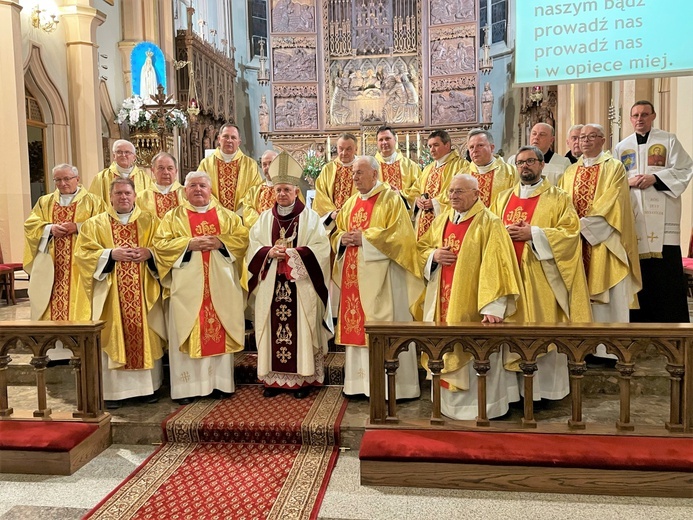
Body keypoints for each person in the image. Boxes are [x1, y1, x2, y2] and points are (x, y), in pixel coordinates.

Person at [417, 174, 523, 419]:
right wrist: (434, 256)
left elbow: (498, 265)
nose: (453, 195)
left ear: (476, 194)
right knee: (444, 350)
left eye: (460, 191)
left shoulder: (490, 222)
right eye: (451, 191)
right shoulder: (442, 219)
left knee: (477, 352)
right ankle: (447, 406)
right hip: (442, 303)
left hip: (476, 306)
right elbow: (421, 247)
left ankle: (483, 408)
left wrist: (494, 307)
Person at [491, 146, 592, 401]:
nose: (525, 166)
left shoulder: (559, 197)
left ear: (542, 164)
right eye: (521, 162)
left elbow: (570, 234)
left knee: (542, 332)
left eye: (531, 162)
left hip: (542, 280)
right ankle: (514, 395)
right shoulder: (502, 198)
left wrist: (533, 234)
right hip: (509, 277)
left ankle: (545, 393)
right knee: (511, 336)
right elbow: (489, 232)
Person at [152, 171, 249, 404]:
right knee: (188, 330)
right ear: (184, 190)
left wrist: (221, 242)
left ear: (210, 189)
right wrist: (188, 243)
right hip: (187, 289)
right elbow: (159, 246)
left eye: (203, 185)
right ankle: (188, 388)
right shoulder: (172, 217)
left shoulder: (226, 217)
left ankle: (221, 384)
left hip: (220, 287)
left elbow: (243, 239)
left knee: (219, 329)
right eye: (192, 185)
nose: (198, 190)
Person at [333, 155, 422, 398]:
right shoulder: (350, 203)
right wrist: (342, 239)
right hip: (354, 276)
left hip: (386, 279)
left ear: (375, 173)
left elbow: (402, 236)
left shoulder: (391, 199)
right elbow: (338, 232)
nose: (355, 177)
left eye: (359, 172)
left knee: (383, 326)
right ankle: (358, 385)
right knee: (357, 326)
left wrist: (365, 239)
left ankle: (396, 388)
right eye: (353, 173)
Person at [246, 152, 333, 398]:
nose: (282, 194)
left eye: (286, 189)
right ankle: (274, 380)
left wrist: (294, 255)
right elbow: (253, 247)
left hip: (300, 284)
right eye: (278, 190)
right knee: (272, 328)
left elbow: (321, 248)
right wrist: (267, 251)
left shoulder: (310, 218)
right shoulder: (264, 219)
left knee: (301, 329)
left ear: (296, 191)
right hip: (272, 284)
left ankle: (302, 379)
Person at [74, 178, 165, 409]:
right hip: (111, 295)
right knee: (114, 334)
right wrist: (110, 254)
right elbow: (82, 255)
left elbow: (164, 249)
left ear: (135, 196)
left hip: (143, 291)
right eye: (118, 193)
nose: (123, 197)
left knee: (143, 332)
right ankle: (115, 392)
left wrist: (150, 253)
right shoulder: (95, 224)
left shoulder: (150, 221)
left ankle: (147, 389)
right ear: (110, 197)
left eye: (127, 193)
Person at [558, 124, 642, 361]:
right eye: (581, 137)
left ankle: (609, 351)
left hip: (604, 241)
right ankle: (582, 347)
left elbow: (613, 201)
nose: (585, 141)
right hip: (575, 243)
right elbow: (562, 204)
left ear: (603, 140)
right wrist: (568, 228)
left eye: (591, 136)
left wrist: (581, 226)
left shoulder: (613, 167)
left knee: (608, 292)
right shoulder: (570, 172)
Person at [614, 100, 693, 323]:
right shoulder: (621, 147)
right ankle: (638, 323)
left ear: (653, 116)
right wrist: (628, 182)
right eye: (636, 115)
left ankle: (670, 325)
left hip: (663, 214)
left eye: (644, 114)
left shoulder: (668, 140)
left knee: (664, 274)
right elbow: (614, 179)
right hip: (634, 217)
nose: (640, 119)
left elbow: (685, 168)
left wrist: (655, 178)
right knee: (639, 273)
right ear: (630, 119)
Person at [24, 164, 104, 362]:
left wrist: (77, 227)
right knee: (49, 302)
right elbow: (31, 225)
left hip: (81, 267)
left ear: (77, 179)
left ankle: (80, 350)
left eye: (67, 178)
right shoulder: (45, 202)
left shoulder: (93, 201)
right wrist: (49, 229)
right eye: (58, 180)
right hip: (52, 266)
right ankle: (52, 352)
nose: (63, 183)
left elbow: (104, 226)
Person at [196, 123, 263, 214]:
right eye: (226, 136)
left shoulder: (250, 165)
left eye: (233, 137)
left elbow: (256, 191)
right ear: (219, 139)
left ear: (239, 142)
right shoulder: (206, 164)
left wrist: (240, 212)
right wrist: (219, 211)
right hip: (214, 214)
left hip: (241, 217)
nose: (229, 140)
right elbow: (200, 189)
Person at [412, 130, 467, 239]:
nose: (432, 149)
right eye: (430, 146)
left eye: (436, 145)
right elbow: (416, 189)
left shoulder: (461, 165)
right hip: (423, 221)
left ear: (447, 145)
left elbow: (462, 191)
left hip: (445, 219)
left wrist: (435, 203)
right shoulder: (428, 168)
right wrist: (417, 200)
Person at [313, 133, 358, 229]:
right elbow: (320, 195)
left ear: (356, 149)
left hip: (356, 219)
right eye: (341, 149)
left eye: (348, 149)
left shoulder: (363, 168)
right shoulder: (328, 169)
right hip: (333, 220)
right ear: (336, 149)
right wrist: (331, 213)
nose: (344, 153)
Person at [89, 140, 153, 204]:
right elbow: (94, 204)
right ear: (114, 156)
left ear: (134, 157)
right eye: (119, 152)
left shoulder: (144, 178)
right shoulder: (101, 177)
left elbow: (150, 202)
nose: (123, 155)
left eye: (127, 152)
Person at [374, 126, 420, 212]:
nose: (384, 142)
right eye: (381, 140)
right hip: (379, 211)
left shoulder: (410, 165)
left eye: (387, 138)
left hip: (404, 213)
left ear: (395, 140)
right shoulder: (371, 166)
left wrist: (401, 194)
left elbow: (418, 188)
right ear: (377, 143)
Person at [466, 128, 517, 207]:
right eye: (471, 147)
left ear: (492, 148)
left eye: (480, 145)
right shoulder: (462, 174)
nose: (475, 150)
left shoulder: (511, 173)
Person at [136, 152, 185, 219]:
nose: (166, 172)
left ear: (176, 171)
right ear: (153, 170)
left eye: (170, 168)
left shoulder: (186, 194)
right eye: (161, 168)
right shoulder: (141, 198)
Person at [240, 150, 278, 228]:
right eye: (264, 164)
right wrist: (262, 226)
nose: (267, 167)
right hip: (259, 233)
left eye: (271, 163)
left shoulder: (290, 189)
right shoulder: (253, 191)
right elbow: (248, 212)